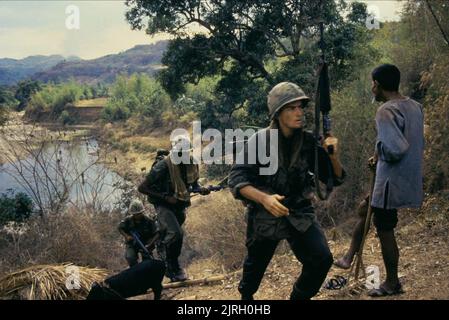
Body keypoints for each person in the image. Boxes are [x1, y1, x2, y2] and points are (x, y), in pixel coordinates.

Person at [228, 82, 346, 300]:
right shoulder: (260, 140)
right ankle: (246, 298)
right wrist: (264, 199)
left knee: (321, 259)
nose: (299, 112)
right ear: (278, 113)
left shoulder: (309, 141)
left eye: (301, 107)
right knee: (253, 272)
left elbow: (335, 178)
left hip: (298, 212)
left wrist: (333, 155)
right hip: (265, 215)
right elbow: (236, 179)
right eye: (292, 108)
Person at [334, 64, 424, 297]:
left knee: (384, 229)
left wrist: (379, 154)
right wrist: (378, 154)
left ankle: (392, 283)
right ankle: (349, 256)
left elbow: (395, 148)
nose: (372, 88)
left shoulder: (385, 110)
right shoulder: (415, 106)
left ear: (379, 85)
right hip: (405, 178)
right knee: (365, 210)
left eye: (373, 84)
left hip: (390, 182)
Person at [138, 135, 210, 282]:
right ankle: (172, 268)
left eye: (184, 153)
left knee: (170, 234)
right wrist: (165, 198)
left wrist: (201, 189)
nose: (181, 156)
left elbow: (193, 184)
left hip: (179, 203)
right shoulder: (163, 165)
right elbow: (143, 187)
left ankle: (158, 247)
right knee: (176, 233)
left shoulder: (191, 163)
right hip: (163, 203)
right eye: (179, 153)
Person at [118, 199, 159, 267]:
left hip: (146, 245)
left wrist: (150, 243)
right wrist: (127, 236)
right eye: (135, 214)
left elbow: (157, 233)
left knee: (147, 262)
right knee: (130, 257)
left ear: (142, 212)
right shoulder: (128, 220)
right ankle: (135, 271)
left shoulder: (149, 221)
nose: (137, 216)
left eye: (139, 214)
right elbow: (120, 228)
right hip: (132, 244)